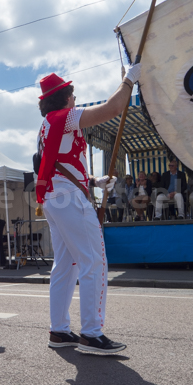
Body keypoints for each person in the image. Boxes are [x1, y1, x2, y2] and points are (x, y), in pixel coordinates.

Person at [35, 69, 134, 354]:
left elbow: (60, 163)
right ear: (65, 98)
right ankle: (91, 333)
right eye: (72, 93)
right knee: (94, 262)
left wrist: (93, 181)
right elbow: (113, 108)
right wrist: (129, 80)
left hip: (56, 197)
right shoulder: (64, 117)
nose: (75, 97)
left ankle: (59, 330)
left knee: (66, 266)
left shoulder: (47, 124)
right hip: (68, 198)